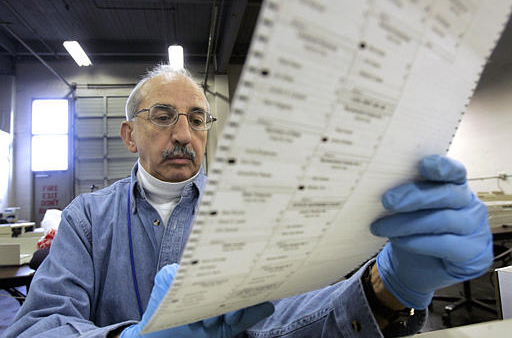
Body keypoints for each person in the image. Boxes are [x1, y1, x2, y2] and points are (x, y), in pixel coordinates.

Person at [3, 65, 492, 338]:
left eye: (197, 119)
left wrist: (390, 286)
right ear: (130, 135)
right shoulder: (87, 217)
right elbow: (37, 328)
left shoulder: (246, 210)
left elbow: (291, 318)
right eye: (164, 116)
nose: (182, 133)